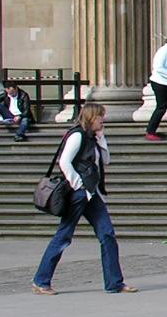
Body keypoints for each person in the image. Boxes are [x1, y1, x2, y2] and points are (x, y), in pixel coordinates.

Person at [32, 102, 135, 294]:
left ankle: (114, 283)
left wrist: (101, 138)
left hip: (92, 193)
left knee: (107, 234)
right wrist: (78, 184)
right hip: (79, 193)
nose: (103, 120)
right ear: (91, 117)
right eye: (100, 116)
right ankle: (41, 280)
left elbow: (105, 161)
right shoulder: (77, 135)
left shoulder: (92, 138)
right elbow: (64, 161)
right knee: (64, 235)